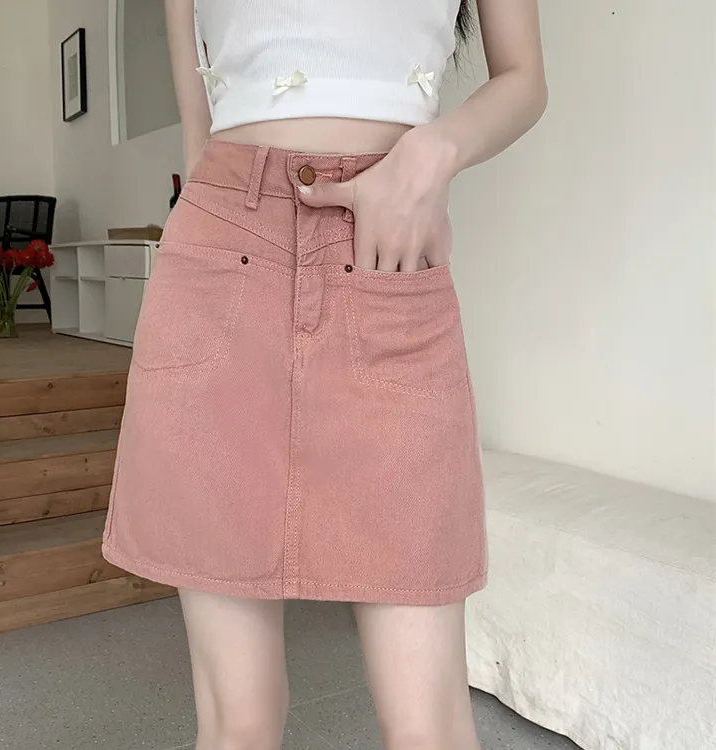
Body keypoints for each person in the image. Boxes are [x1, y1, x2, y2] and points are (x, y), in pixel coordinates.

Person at [101, 1, 547, 747]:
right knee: (237, 723)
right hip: (221, 255)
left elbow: (524, 77)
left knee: (428, 728)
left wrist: (432, 154)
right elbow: (199, 131)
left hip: (386, 255)